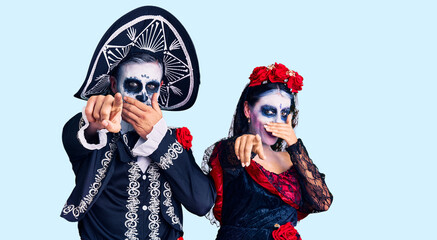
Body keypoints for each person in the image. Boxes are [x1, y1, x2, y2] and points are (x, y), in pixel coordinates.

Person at [61, 6, 215, 240]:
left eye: (151, 87)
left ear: (160, 88)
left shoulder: (173, 141)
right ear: (114, 85)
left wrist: (160, 140)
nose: (143, 96)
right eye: (132, 85)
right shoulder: (96, 135)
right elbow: (76, 137)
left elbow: (202, 203)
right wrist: (94, 121)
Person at [202, 63, 333, 240]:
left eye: (284, 113)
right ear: (248, 110)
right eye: (269, 112)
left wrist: (294, 144)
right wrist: (241, 142)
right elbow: (230, 157)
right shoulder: (233, 151)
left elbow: (323, 202)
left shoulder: (293, 160)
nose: (278, 122)